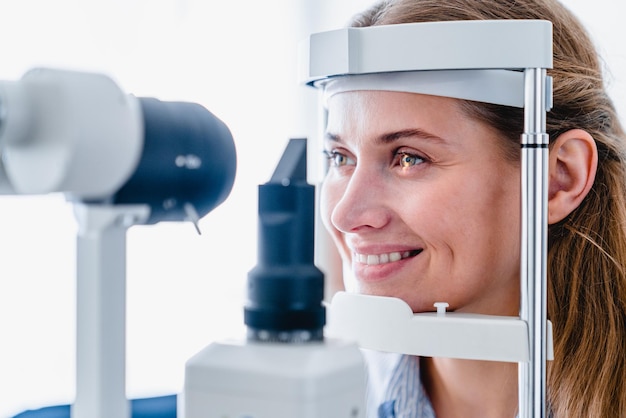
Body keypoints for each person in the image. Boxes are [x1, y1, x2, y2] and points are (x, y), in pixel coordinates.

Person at [318, 0, 626, 416]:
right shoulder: (328, 396)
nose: (345, 215)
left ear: (558, 179)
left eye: (410, 158)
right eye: (340, 157)